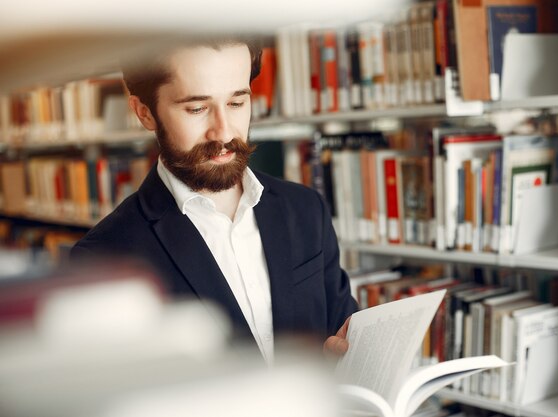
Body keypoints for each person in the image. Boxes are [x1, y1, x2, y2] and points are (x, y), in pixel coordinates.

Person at [70, 36, 357, 363]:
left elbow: (340, 329)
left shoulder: (306, 208)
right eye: (197, 108)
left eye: (237, 103)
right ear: (145, 113)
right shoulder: (103, 259)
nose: (223, 132)